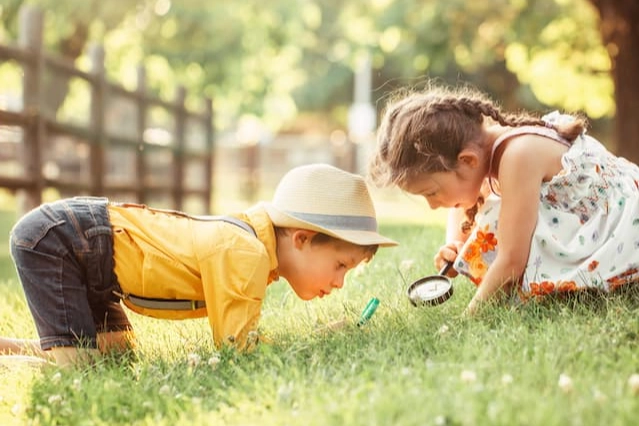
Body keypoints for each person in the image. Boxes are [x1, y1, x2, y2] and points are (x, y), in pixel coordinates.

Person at [0, 163, 397, 366]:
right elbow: (237, 349)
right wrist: (316, 341)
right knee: (77, 373)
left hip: (94, 251)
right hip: (65, 239)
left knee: (115, 354)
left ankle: (13, 351)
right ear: (302, 239)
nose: (341, 282)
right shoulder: (245, 252)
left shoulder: (254, 248)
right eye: (341, 265)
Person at [368, 81, 639, 315]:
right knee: (493, 217)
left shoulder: (518, 156)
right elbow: (465, 204)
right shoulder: (487, 151)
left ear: (467, 160)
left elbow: (511, 261)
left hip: (628, 226)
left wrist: (469, 318)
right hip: (601, 217)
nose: (433, 205)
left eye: (431, 192)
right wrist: (455, 243)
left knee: (496, 223)